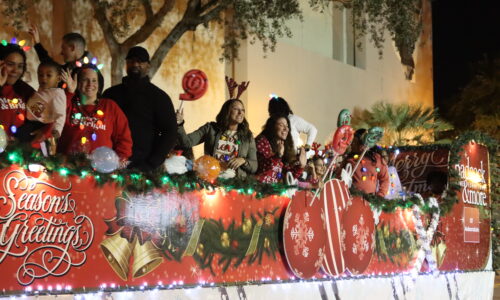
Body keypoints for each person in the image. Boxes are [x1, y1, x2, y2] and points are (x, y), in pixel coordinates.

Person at [102, 46, 177, 171]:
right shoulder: (111, 94)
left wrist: (152, 163)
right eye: (131, 61)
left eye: (140, 61)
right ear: (126, 64)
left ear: (148, 65)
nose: (135, 64)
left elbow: (170, 132)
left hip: (144, 168)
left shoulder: (159, 97)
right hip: (110, 164)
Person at [57, 64, 132, 161]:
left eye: (94, 80)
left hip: (101, 171)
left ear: (99, 83)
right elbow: (56, 116)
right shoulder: (69, 103)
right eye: (85, 80)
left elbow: (124, 139)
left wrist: (118, 162)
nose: (90, 84)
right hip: (68, 168)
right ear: (77, 83)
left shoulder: (110, 106)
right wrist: (70, 91)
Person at [176, 99, 257, 178]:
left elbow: (254, 167)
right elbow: (187, 142)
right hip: (211, 179)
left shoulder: (247, 136)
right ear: (227, 111)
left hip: (235, 183)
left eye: (243, 110)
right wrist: (179, 124)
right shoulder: (210, 128)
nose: (240, 113)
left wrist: (243, 161)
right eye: (236, 109)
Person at [15, 61, 66, 142]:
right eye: (40, 75)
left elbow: (60, 114)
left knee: (21, 138)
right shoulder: (42, 90)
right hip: (28, 121)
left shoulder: (57, 94)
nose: (43, 78)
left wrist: (57, 129)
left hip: (38, 124)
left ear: (58, 78)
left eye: (48, 75)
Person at [255, 114, 306, 183]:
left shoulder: (285, 146)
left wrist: (301, 166)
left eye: (287, 126)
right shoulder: (261, 141)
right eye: (281, 125)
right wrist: (278, 156)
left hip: (277, 189)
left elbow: (287, 177)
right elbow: (265, 170)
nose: (286, 129)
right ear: (272, 127)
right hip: (261, 188)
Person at [340, 128, 389, 197]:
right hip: (352, 198)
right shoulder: (348, 159)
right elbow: (340, 178)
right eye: (352, 142)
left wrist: (380, 195)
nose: (351, 144)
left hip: (371, 200)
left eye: (354, 142)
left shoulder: (377, 159)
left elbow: (385, 179)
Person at [0, 43, 36, 137]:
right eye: (10, 64)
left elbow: (39, 118)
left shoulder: (25, 90)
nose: (15, 70)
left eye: (20, 66)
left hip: (20, 149)